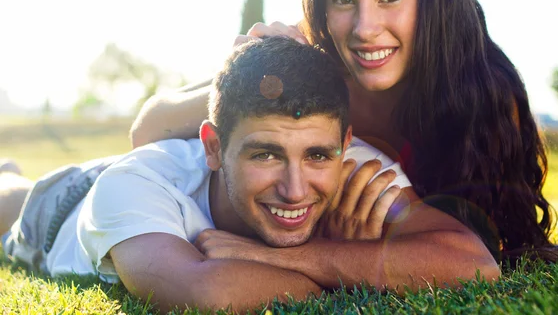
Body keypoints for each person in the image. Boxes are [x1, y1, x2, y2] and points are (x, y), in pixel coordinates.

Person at [130, 0, 558, 263]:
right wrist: (238, 75)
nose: (365, 29)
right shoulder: (309, 65)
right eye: (343, 0)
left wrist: (320, 253)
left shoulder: (482, 94)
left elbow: (482, 250)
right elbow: (147, 130)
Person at [1, 37, 499, 313]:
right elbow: (205, 293)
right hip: (64, 208)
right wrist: (374, 267)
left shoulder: (355, 169)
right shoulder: (129, 186)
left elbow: (473, 264)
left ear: (344, 146)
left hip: (164, 179)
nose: (296, 188)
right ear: (214, 147)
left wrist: (280, 257)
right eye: (266, 155)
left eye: (318, 157)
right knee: (11, 196)